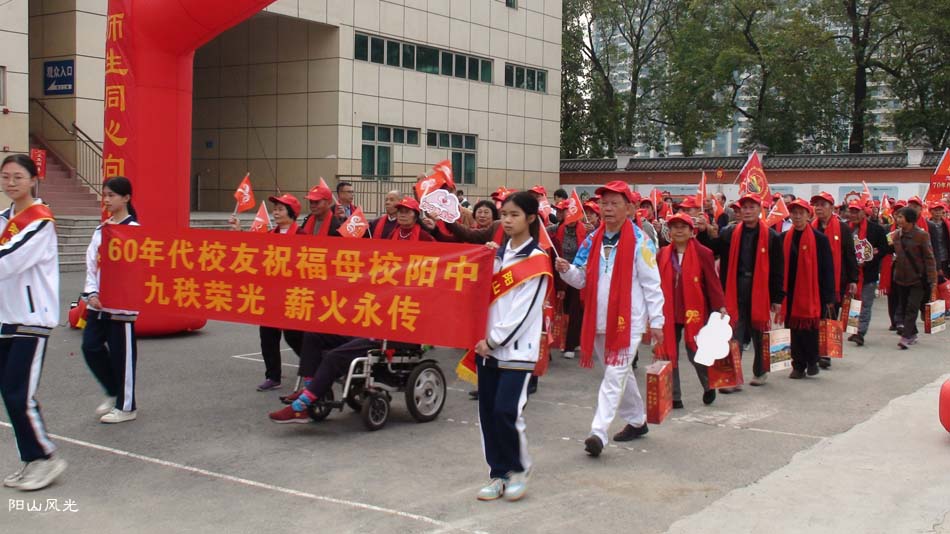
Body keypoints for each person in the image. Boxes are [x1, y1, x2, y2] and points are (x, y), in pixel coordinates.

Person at [268, 197, 434, 421]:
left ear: (416, 215)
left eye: (407, 211)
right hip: (370, 317)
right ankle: (310, 389)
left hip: (393, 328)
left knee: (334, 356)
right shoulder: (387, 236)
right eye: (400, 211)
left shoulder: (426, 240)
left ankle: (303, 404)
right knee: (313, 335)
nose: (403, 215)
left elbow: (440, 266)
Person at [554, 181, 664, 457]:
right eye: (604, 203)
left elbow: (652, 284)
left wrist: (657, 321)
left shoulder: (641, 242)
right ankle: (637, 420)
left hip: (628, 321)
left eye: (615, 203)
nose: (608, 209)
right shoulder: (592, 240)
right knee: (617, 373)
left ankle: (598, 433)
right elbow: (581, 279)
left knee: (614, 375)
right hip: (598, 318)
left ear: (629, 208)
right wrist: (566, 271)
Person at [473, 191, 551, 502]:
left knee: (507, 411)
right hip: (485, 349)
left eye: (514, 214)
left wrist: (493, 340)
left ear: (530, 218)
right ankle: (498, 473)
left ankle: (519, 469)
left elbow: (524, 311)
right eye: (504, 214)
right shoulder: (494, 255)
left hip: (516, 351)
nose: (507, 220)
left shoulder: (537, 260)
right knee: (487, 414)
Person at [0, 154, 66, 491]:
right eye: (5, 177)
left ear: (33, 180)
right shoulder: (3, 218)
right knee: (11, 392)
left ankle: (46, 458)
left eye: (18, 177)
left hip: (31, 319)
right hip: (6, 319)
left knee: (18, 394)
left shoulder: (40, 221)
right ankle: (32, 459)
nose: (11, 183)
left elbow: (9, 260)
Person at [706, 193, 784, 388]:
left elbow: (777, 270)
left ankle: (760, 372)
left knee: (759, 333)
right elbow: (711, 250)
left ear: (760, 210)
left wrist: (777, 298)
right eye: (744, 208)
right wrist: (706, 232)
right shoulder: (729, 233)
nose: (747, 211)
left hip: (760, 290)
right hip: (735, 287)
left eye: (751, 207)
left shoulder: (772, 236)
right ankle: (733, 377)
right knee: (734, 332)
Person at [81, 177, 141, 423]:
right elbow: (91, 265)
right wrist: (91, 293)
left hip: (121, 306)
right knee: (90, 346)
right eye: (104, 195)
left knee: (122, 356)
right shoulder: (101, 230)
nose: (106, 200)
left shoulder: (135, 230)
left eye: (111, 195)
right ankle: (112, 390)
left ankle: (126, 407)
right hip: (98, 304)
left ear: (126, 198)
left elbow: (137, 270)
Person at [231, 194, 305, 390]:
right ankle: (273, 376)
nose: (276, 213)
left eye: (280, 209)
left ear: (291, 213)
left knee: (294, 336)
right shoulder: (270, 235)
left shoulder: (303, 236)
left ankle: (313, 370)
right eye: (275, 209)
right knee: (267, 336)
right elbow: (253, 254)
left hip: (293, 295)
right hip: (271, 296)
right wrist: (238, 233)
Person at [657, 214, 725, 407]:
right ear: (669, 231)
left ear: (691, 231)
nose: (679, 231)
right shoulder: (662, 254)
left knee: (695, 350)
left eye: (683, 227)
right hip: (669, 310)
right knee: (669, 351)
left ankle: (708, 384)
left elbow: (712, 282)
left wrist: (720, 305)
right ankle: (674, 396)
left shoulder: (703, 253)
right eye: (675, 227)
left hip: (695, 310)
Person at [781, 200, 836, 379]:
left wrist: (829, 296)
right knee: (793, 329)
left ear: (808, 215)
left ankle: (812, 361)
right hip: (790, 292)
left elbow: (827, 268)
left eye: (801, 213)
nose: (797, 216)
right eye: (794, 213)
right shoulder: (783, 238)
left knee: (810, 329)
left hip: (813, 292)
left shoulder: (820, 239)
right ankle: (798, 365)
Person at [811, 192, 859, 367]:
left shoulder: (843, 229)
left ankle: (826, 353)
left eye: (823, 205)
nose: (819, 208)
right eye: (816, 205)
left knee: (830, 317)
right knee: (815, 317)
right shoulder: (810, 227)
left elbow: (850, 255)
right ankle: (814, 351)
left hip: (836, 281)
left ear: (832, 208)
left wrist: (853, 279)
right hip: (813, 280)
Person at [891, 207, 938, 349]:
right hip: (901, 278)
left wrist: (933, 279)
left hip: (918, 278)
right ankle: (912, 333)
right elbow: (889, 250)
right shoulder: (895, 235)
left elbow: (929, 258)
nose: (898, 219)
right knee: (904, 306)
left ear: (910, 220)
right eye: (897, 217)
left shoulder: (922, 235)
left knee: (912, 307)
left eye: (901, 217)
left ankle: (905, 337)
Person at [847, 200, 891, 346]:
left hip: (868, 273)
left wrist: (870, 256)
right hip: (850, 274)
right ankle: (854, 329)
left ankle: (861, 332)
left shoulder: (876, 229)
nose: (853, 215)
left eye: (856, 212)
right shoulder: (845, 228)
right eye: (851, 211)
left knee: (865, 304)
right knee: (852, 304)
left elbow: (885, 248)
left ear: (863, 213)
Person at [549, 200, 587, 359]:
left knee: (575, 311)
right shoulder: (554, 229)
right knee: (561, 309)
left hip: (578, 274)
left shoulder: (586, 231)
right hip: (560, 274)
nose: (565, 214)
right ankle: (560, 340)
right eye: (561, 211)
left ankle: (571, 344)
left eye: (565, 210)